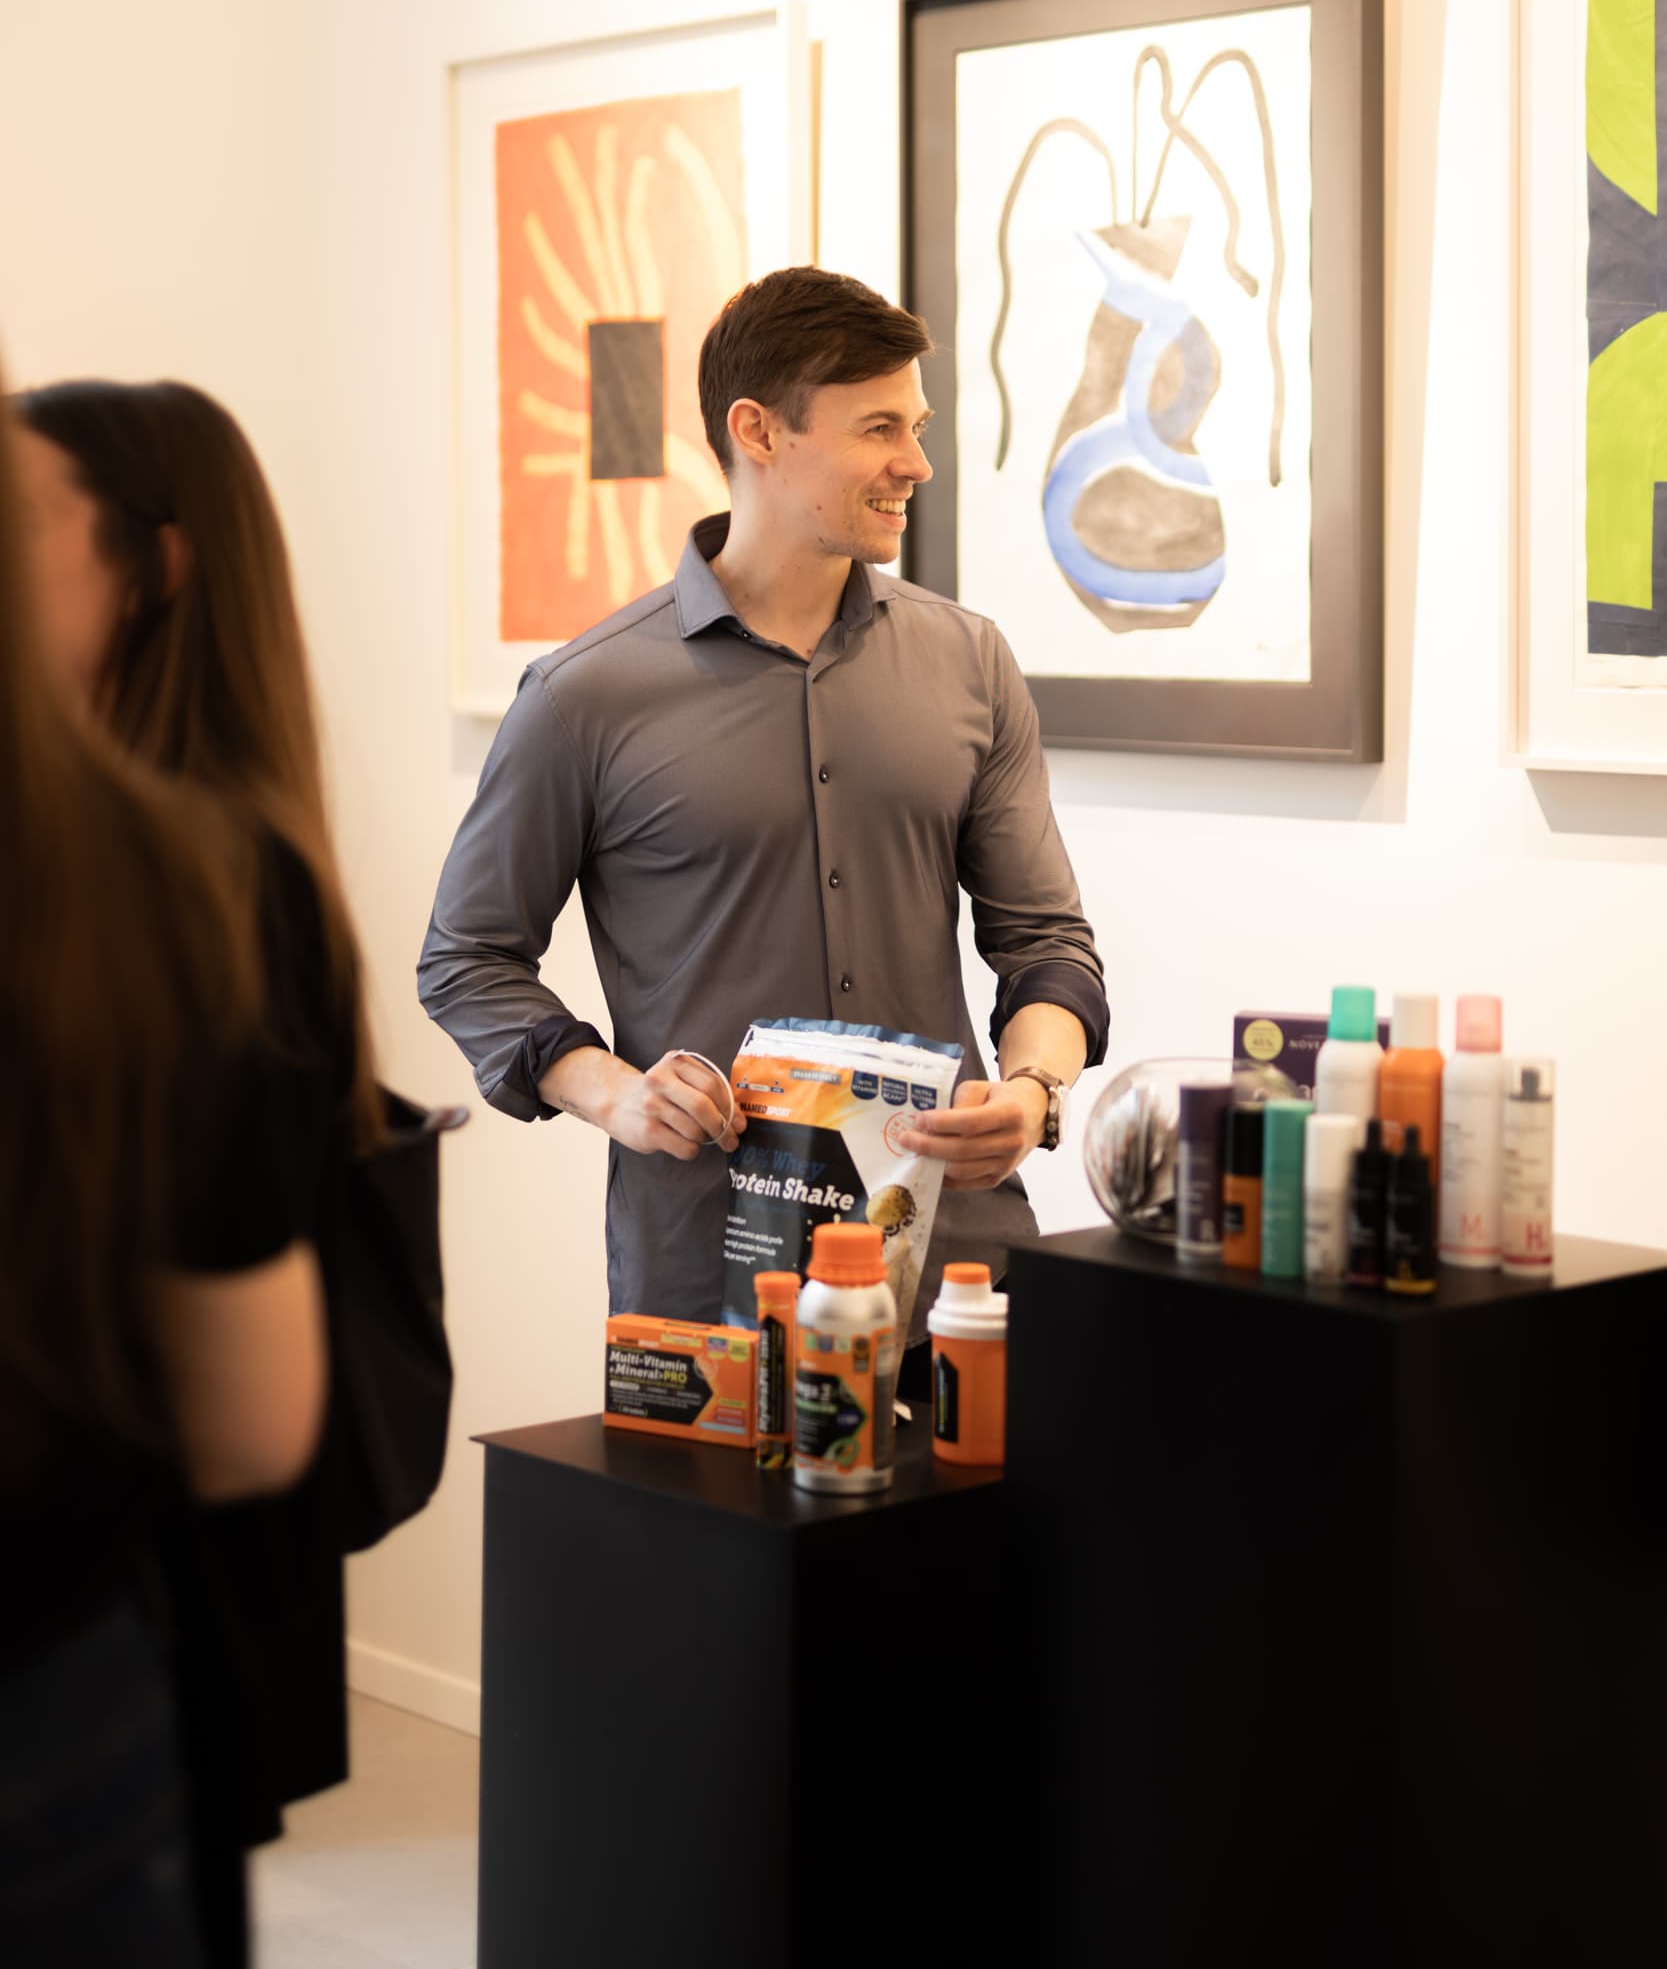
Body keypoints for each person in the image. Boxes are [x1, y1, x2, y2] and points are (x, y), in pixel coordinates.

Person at [419, 266, 1107, 1356]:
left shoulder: (970, 664)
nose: (916, 463)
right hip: (710, 1293)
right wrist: (611, 1092)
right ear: (758, 431)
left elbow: (1047, 944)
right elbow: (466, 959)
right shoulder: (582, 696)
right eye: (879, 427)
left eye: (917, 427)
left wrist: (1033, 1090)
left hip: (956, 1271)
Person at [12, 377, 377, 1967]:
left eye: (23, 518)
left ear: (154, 565)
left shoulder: (208, 881)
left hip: (146, 1591)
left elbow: (247, 1417)